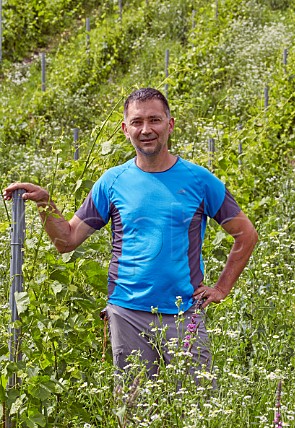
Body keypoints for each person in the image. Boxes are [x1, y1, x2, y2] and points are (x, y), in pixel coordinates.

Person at [4, 88, 258, 378]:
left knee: (194, 411)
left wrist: (222, 288)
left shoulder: (200, 181)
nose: (146, 130)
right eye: (137, 122)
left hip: (183, 314)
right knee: (134, 413)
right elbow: (67, 240)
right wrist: (45, 203)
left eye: (155, 120)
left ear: (170, 124)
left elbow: (246, 234)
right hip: (126, 314)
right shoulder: (113, 182)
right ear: (126, 129)